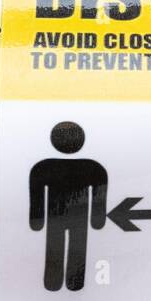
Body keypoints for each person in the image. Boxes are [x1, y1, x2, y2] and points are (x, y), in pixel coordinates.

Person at [28, 121, 108, 291]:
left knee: (54, 248)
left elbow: (37, 197)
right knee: (77, 250)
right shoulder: (93, 167)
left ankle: (53, 282)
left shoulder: (42, 167)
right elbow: (98, 197)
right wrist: (97, 220)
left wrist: (36, 221)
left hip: (54, 216)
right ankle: (75, 282)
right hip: (79, 218)